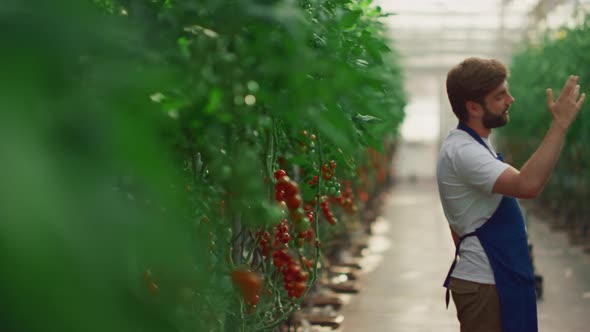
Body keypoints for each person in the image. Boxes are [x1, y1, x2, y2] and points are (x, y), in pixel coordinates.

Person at [436, 57, 586, 332]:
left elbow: (459, 223)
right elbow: (527, 185)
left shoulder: (477, 145)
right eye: (500, 96)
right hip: (488, 284)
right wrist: (560, 125)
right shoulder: (465, 152)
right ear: (473, 107)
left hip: (498, 278)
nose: (511, 100)